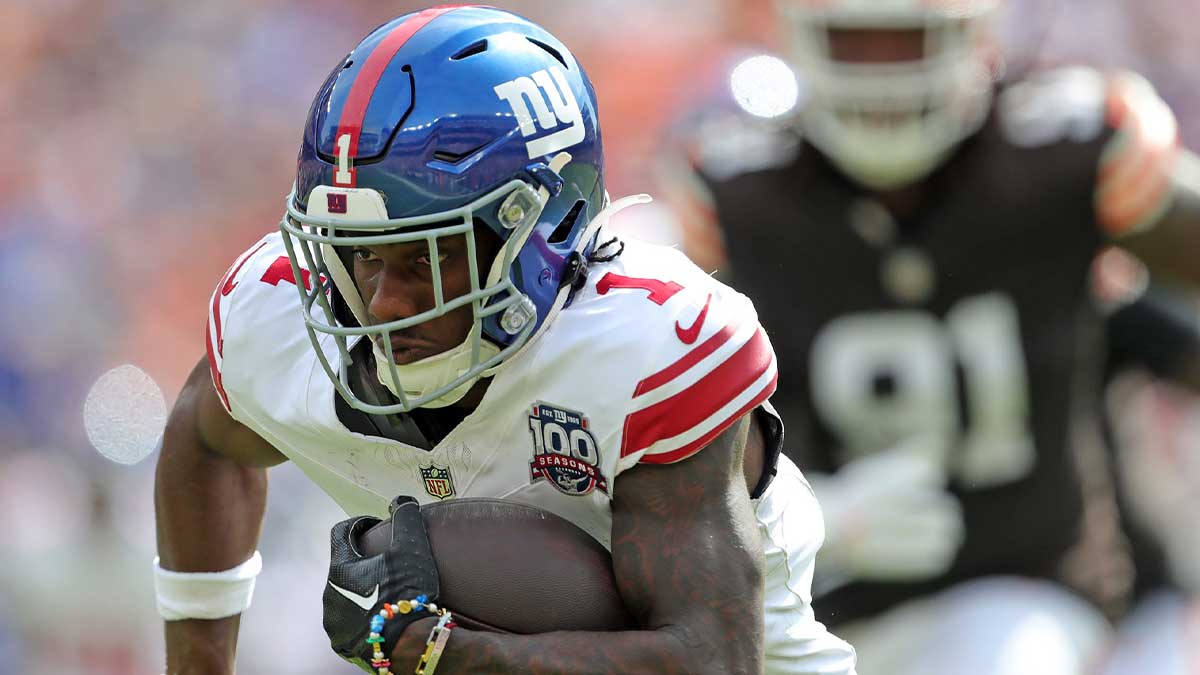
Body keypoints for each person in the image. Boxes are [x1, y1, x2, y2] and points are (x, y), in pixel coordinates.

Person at [152, 6, 856, 674]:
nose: (381, 304)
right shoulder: (273, 319)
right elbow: (204, 438)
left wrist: (447, 655)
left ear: (537, 230)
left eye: (426, 257)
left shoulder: (647, 346)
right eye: (362, 256)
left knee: (455, 563)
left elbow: (713, 659)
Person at [657, 0, 1200, 672]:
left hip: (1027, 591)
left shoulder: (1063, 149)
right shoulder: (737, 194)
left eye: (906, 40)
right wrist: (807, 518)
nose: (883, 76)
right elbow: (665, 450)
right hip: (819, 605)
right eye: (858, 42)